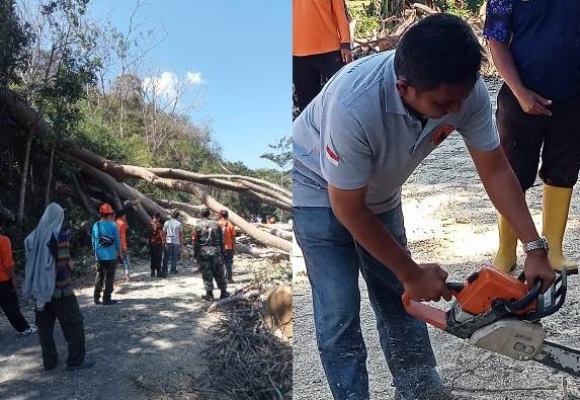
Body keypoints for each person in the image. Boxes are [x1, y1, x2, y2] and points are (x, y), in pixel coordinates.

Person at [292, 14, 555, 400]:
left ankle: (419, 390)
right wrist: (408, 269)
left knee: (400, 301)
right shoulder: (356, 105)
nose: (456, 108)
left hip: (378, 195)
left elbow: (496, 169)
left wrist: (534, 247)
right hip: (315, 189)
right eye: (444, 103)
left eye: (461, 98)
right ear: (404, 86)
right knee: (339, 312)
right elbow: (347, 207)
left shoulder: (463, 92)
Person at [483, 0, 580, 274]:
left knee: (564, 170)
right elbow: (496, 40)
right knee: (514, 173)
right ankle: (506, 252)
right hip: (519, 97)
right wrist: (520, 91)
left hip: (572, 96)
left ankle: (554, 251)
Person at [23, 203, 94, 370]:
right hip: (60, 290)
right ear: (57, 217)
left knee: (44, 327)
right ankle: (76, 360)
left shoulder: (32, 237)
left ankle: (49, 361)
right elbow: (62, 265)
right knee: (74, 323)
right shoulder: (59, 237)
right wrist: (70, 263)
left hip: (39, 290)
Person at [293, 0, 353, 114]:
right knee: (306, 106)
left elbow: (339, 11)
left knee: (342, 96)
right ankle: (313, 131)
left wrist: (345, 42)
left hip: (330, 50)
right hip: (298, 53)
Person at [0, 218, 36, 336]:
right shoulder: (3, 240)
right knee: (11, 306)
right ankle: (23, 328)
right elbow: (8, 264)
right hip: (3, 280)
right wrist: (14, 279)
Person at [193, 209, 230, 301]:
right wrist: (223, 252)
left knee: (206, 272)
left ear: (201, 214)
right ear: (209, 214)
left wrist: (195, 255)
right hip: (215, 250)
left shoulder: (197, 225)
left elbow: (196, 242)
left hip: (204, 250)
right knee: (219, 271)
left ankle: (209, 294)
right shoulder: (216, 224)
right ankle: (223, 292)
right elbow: (221, 240)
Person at [91, 203, 121, 305]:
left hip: (99, 256)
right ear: (109, 214)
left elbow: (93, 241)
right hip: (111, 255)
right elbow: (117, 241)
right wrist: (119, 252)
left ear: (101, 214)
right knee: (109, 277)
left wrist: (96, 252)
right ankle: (106, 298)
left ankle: (96, 298)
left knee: (99, 275)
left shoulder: (96, 225)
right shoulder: (113, 225)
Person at [217, 209, 236, 283]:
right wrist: (234, 248)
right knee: (228, 264)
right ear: (227, 216)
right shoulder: (230, 225)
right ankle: (229, 279)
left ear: (220, 215)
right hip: (229, 247)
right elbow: (233, 238)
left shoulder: (217, 224)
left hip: (219, 247)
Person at [162, 210, 183, 275]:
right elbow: (181, 234)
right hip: (176, 241)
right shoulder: (179, 224)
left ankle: (164, 270)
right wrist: (181, 242)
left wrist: (164, 241)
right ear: (178, 216)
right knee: (175, 257)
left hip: (168, 241)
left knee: (166, 256)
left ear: (171, 215)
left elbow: (164, 233)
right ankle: (173, 270)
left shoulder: (166, 223)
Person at [114, 209, 131, 282]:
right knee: (125, 261)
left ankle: (113, 278)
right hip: (122, 244)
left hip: (114, 245)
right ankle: (127, 276)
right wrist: (123, 246)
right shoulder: (123, 224)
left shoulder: (114, 222)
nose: (126, 216)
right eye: (125, 215)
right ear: (122, 215)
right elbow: (122, 236)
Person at [148, 213, 165, 278]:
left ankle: (152, 272)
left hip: (152, 243)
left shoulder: (150, 224)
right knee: (158, 258)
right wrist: (164, 242)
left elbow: (148, 234)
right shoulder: (159, 225)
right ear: (158, 217)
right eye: (159, 218)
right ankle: (158, 272)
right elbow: (161, 235)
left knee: (153, 257)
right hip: (158, 243)